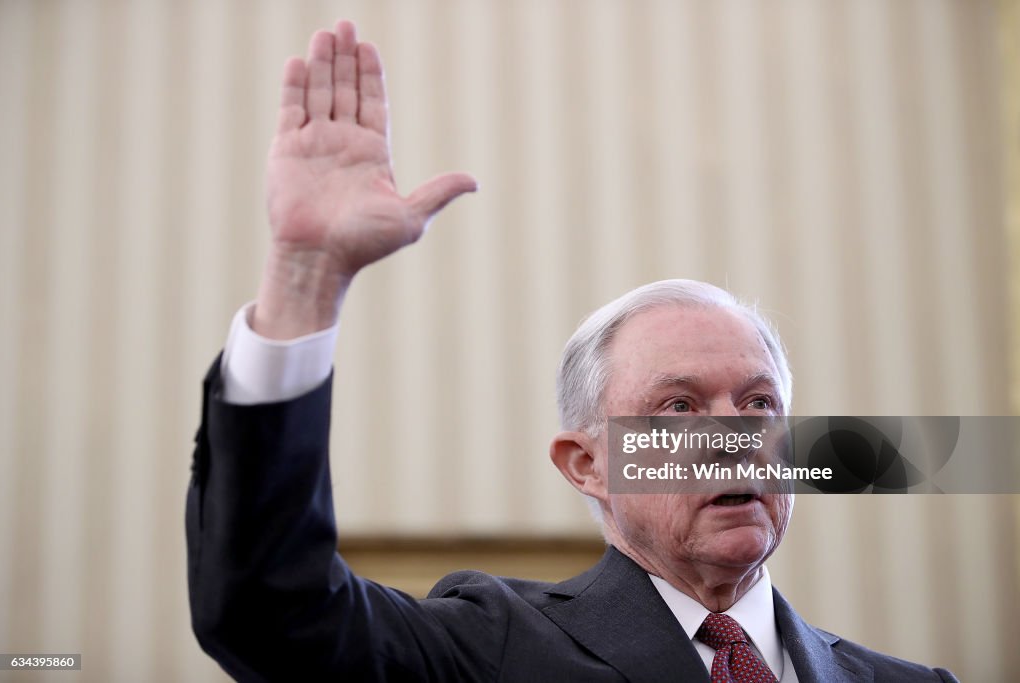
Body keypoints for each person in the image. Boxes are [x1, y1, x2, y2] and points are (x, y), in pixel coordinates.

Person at [186, 19, 958, 682]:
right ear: (586, 463)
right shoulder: (493, 645)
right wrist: (306, 277)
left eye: (759, 404)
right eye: (679, 406)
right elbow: (270, 614)